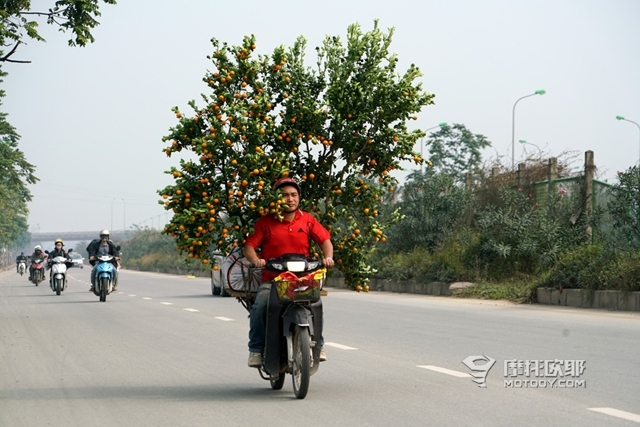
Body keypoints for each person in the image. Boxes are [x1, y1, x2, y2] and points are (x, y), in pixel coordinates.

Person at [242, 177, 334, 368]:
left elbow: (325, 240)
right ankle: (256, 349)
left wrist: (328, 257)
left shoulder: (308, 219)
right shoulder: (265, 222)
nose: (290, 199)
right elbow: (249, 247)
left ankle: (319, 344)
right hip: (273, 280)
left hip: (302, 280)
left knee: (316, 304)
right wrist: (256, 260)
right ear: (276, 198)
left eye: (293, 195)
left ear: (299, 197)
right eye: (284, 195)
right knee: (260, 306)